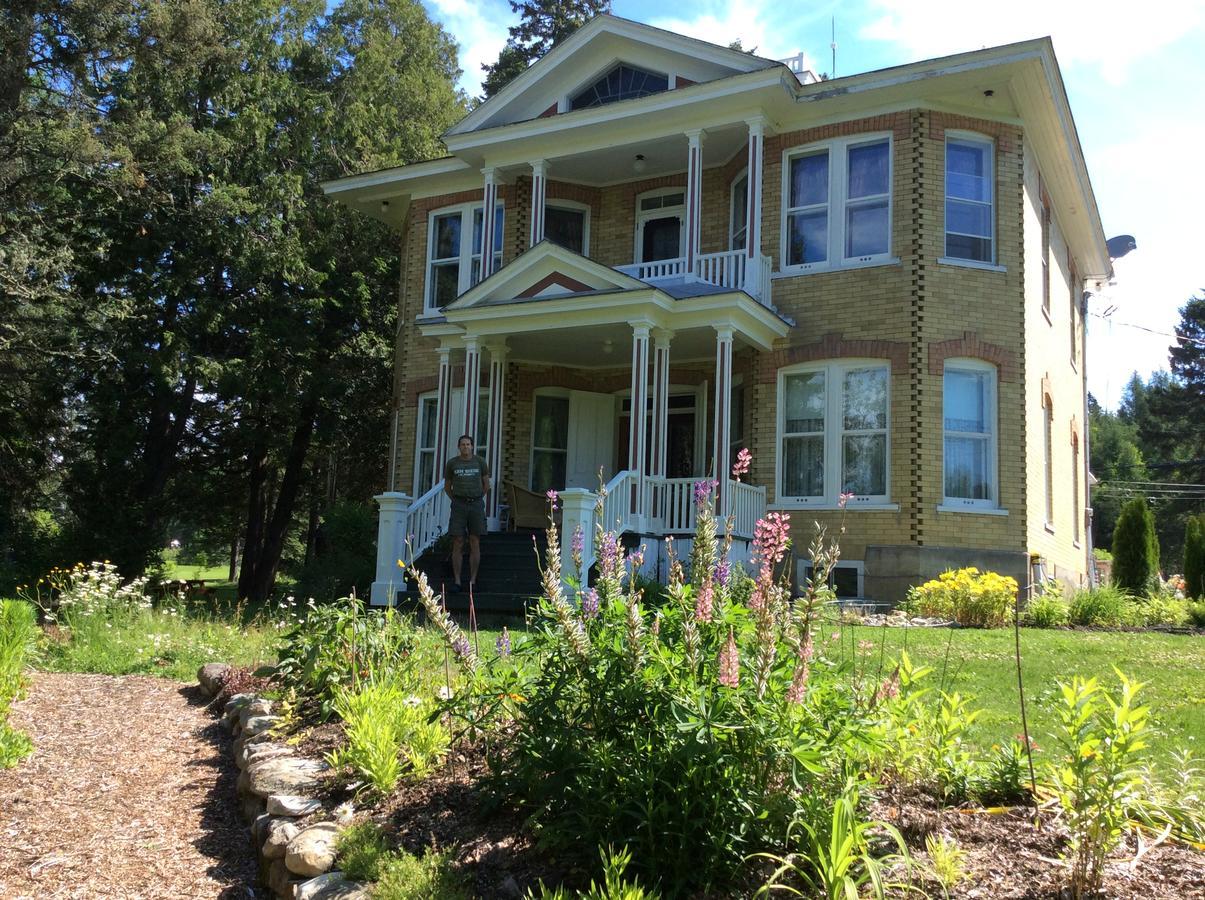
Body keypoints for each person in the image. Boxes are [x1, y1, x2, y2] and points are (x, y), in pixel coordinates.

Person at [443, 434, 490, 592]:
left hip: (476, 504)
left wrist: (476, 498)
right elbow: (447, 486)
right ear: (459, 447)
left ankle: (473, 581)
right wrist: (457, 500)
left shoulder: (480, 462)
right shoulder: (452, 464)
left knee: (474, 541)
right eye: (462, 444)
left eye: (468, 444)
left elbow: (486, 485)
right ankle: (457, 581)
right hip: (458, 505)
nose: (465, 447)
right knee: (458, 541)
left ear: (472, 446)